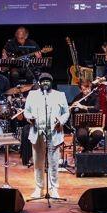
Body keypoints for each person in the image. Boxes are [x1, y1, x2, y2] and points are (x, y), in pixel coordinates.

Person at [21, 72, 69, 200]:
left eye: (48, 80)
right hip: (38, 132)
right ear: (39, 83)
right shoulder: (32, 95)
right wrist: (29, 117)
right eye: (43, 81)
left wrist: (61, 121)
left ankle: (53, 189)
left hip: (54, 133)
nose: (45, 83)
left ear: (51, 82)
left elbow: (66, 112)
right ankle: (39, 188)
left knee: (53, 163)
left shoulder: (60, 95)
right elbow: (27, 111)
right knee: (38, 162)